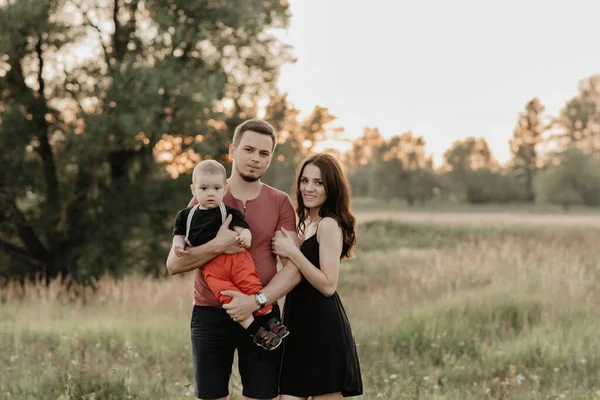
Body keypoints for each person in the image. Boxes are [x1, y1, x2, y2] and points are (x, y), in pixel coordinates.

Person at [166, 119, 301, 400]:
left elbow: (294, 270)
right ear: (232, 150)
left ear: (271, 158)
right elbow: (174, 264)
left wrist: (256, 301)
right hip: (210, 315)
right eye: (249, 149)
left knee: (263, 396)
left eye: (264, 153)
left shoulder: (280, 202)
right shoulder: (206, 194)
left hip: (264, 314)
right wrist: (218, 245)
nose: (255, 158)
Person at [271, 153, 363, 399]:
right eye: (305, 181)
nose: (308, 188)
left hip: (324, 328)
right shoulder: (304, 222)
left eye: (318, 182)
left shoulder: (329, 225)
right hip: (297, 325)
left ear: (331, 187)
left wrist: (293, 251)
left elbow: (328, 285)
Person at [171, 159, 289, 351]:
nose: (210, 193)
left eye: (217, 188)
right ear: (194, 190)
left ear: (225, 189)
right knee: (227, 297)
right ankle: (256, 332)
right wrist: (178, 246)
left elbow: (243, 228)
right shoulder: (186, 215)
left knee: (250, 285)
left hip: (236, 260)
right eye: (204, 188)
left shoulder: (228, 211)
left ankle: (270, 321)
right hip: (211, 269)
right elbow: (179, 236)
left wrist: (245, 236)